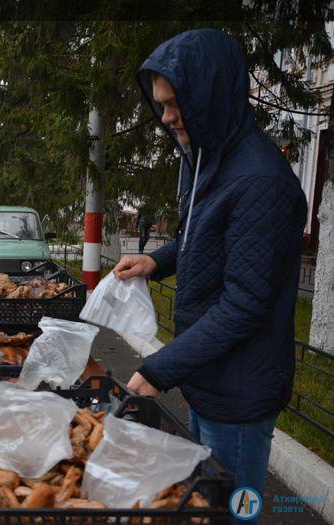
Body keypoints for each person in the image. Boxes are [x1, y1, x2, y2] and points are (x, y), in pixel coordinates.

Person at [114, 29, 306, 517]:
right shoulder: (209, 161)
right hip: (209, 379)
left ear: (210, 95)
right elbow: (211, 239)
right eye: (159, 103)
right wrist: (158, 259)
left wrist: (159, 369)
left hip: (239, 397)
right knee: (201, 505)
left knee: (229, 511)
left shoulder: (259, 180)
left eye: (175, 102)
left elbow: (244, 304)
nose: (166, 115)